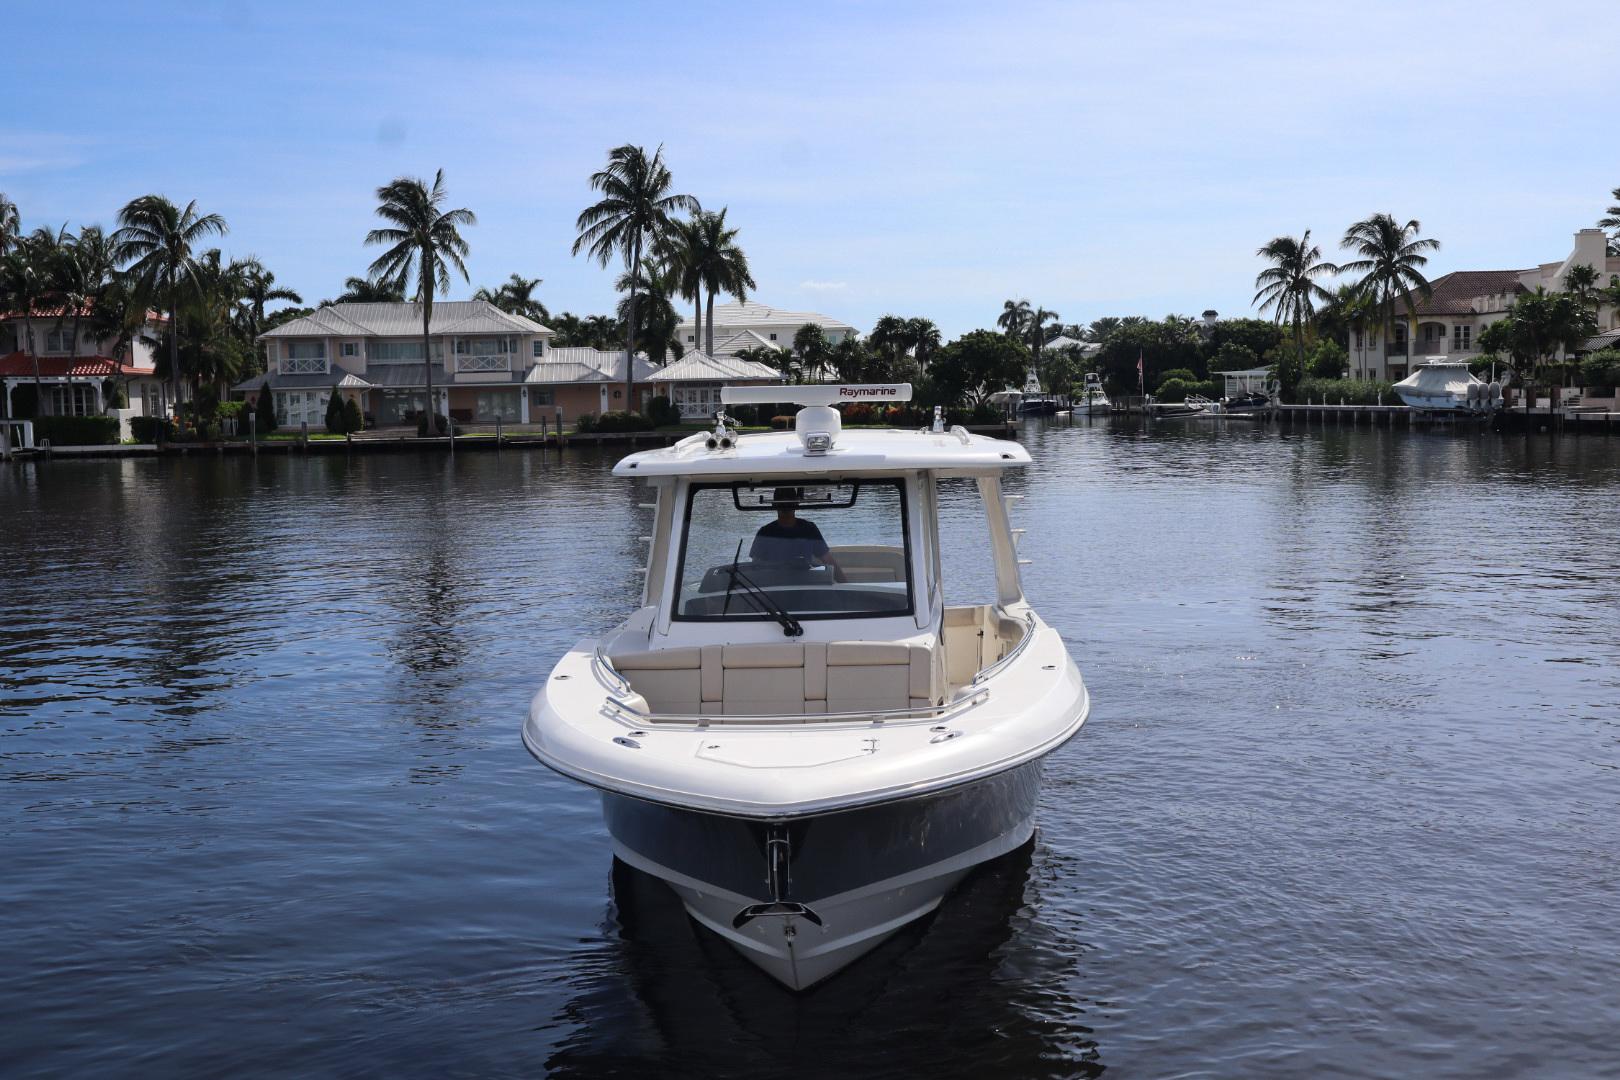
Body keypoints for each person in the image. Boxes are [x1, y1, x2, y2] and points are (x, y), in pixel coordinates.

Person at [750, 487, 847, 582]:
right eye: (782, 502)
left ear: (797, 503)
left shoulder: (809, 529)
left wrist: (846, 588)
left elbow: (828, 561)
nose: (786, 507)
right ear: (774, 504)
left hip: (805, 588)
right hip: (774, 589)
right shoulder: (764, 532)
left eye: (789, 502)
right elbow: (755, 568)